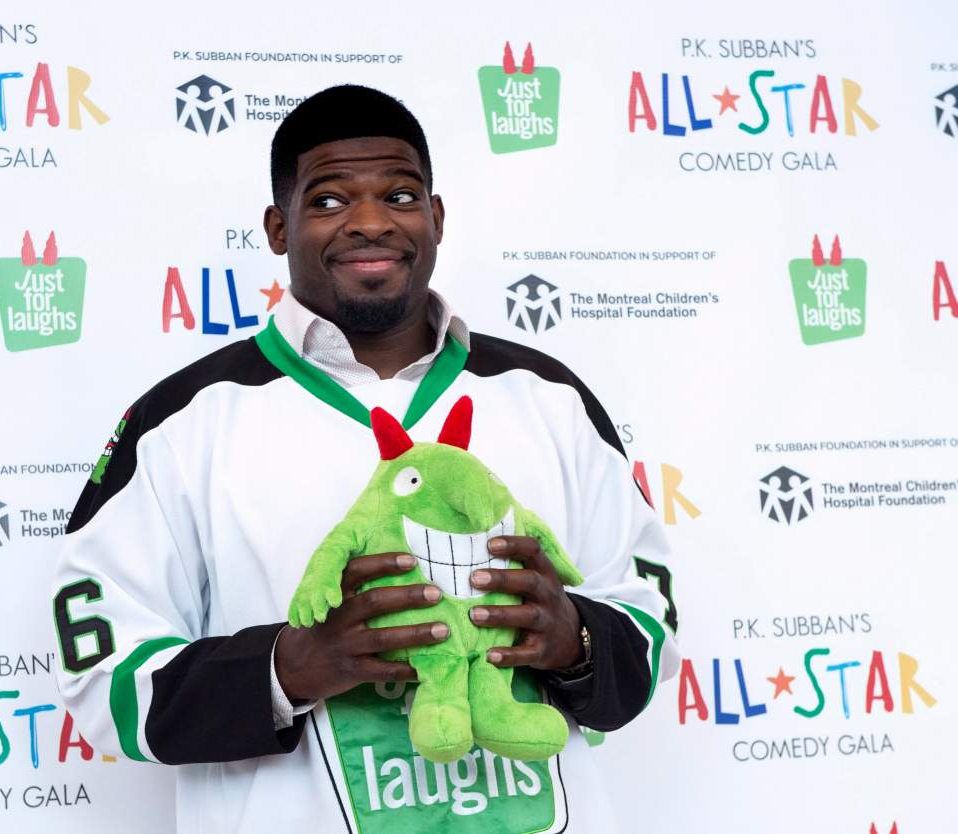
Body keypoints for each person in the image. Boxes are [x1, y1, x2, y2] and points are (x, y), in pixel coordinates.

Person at [51, 85, 679, 833]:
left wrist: (575, 637)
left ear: (436, 217)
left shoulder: (549, 398)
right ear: (278, 228)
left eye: (401, 195)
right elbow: (102, 679)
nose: (372, 222)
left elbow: (653, 626)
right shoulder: (181, 422)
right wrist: (291, 665)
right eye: (328, 201)